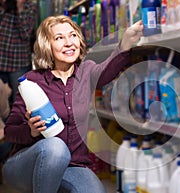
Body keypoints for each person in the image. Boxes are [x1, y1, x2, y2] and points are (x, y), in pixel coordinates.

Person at [3, 15, 143, 193]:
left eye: (73, 35)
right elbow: (9, 132)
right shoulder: (33, 81)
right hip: (27, 165)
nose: (69, 42)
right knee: (56, 147)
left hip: (72, 165)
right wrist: (31, 131)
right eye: (59, 38)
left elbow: (107, 70)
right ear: (47, 44)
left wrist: (125, 44)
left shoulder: (86, 71)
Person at [0, 0, 36, 105]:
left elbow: (26, 34)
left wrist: (19, 8)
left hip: (18, 64)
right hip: (2, 62)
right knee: (2, 102)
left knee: (20, 102)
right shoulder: (3, 7)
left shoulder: (29, 7)